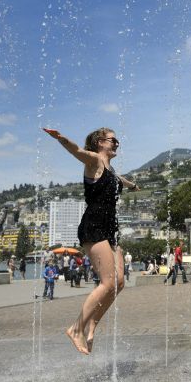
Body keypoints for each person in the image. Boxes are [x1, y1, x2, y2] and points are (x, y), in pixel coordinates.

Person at [44, 126, 140, 355]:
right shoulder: (94, 161)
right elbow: (76, 150)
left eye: (118, 141)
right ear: (99, 142)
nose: (117, 144)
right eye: (112, 140)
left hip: (110, 229)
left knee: (119, 282)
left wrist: (132, 185)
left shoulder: (111, 169)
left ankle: (93, 321)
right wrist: (61, 138)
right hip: (94, 226)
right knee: (107, 283)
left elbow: (120, 180)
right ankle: (76, 329)